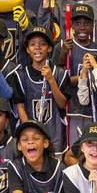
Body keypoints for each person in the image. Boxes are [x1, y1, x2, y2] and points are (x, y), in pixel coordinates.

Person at [9, 26, 69, 155]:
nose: (37, 48)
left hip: (55, 136)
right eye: (32, 44)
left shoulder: (60, 73)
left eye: (42, 44)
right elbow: (20, 107)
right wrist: (30, 132)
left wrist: (51, 80)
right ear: (27, 49)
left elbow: (62, 104)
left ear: (49, 48)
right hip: (31, 139)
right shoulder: (20, 76)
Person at [54, 3, 97, 146]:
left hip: (92, 108)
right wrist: (63, 53)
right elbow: (59, 77)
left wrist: (80, 79)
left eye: (87, 23)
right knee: (74, 147)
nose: (82, 27)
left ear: (93, 25)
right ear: (72, 25)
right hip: (72, 108)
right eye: (78, 23)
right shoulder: (64, 46)